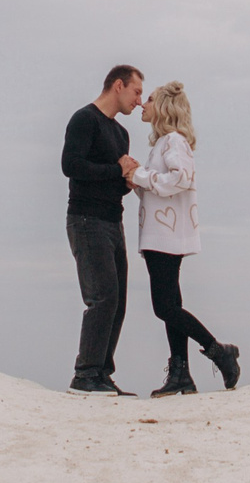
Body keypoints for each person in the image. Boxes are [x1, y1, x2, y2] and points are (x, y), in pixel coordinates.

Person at [126, 80, 240, 395]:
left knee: (164, 307)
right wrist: (135, 179)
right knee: (172, 304)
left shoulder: (173, 141)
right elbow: (159, 191)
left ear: (162, 106)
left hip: (165, 236)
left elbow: (180, 178)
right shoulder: (162, 144)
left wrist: (138, 176)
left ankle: (219, 351)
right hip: (159, 234)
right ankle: (181, 374)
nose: (142, 105)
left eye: (148, 99)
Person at [61, 65, 145, 395]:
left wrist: (128, 179)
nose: (139, 101)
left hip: (113, 220)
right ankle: (84, 375)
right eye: (136, 92)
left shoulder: (121, 134)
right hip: (85, 220)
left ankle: (102, 374)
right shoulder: (85, 119)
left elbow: (112, 182)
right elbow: (71, 166)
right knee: (103, 297)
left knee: (119, 300)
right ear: (118, 86)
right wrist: (116, 169)